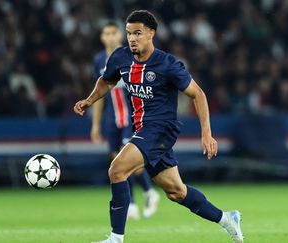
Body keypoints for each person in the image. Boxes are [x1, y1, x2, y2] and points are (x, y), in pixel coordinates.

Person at [74, 10, 243, 243]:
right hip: (141, 129)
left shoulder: (167, 64)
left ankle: (115, 239)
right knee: (176, 192)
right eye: (129, 33)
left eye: (138, 33)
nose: (132, 38)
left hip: (161, 129)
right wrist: (89, 100)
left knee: (117, 169)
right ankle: (227, 218)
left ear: (151, 33)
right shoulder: (120, 58)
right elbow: (106, 81)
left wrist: (207, 133)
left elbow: (198, 94)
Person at [91, 22, 160, 220]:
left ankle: (148, 191)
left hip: (131, 116)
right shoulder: (98, 60)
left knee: (126, 161)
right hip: (112, 118)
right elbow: (98, 93)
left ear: (120, 35)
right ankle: (132, 203)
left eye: (114, 33)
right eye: (106, 33)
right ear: (102, 37)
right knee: (116, 161)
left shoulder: (131, 56)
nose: (110, 36)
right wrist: (95, 125)